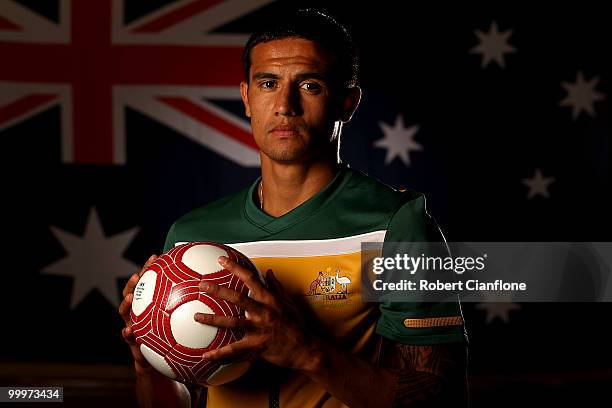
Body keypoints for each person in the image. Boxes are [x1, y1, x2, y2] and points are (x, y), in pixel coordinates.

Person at [118, 8, 468, 408]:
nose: (285, 105)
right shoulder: (192, 238)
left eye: (310, 85)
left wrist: (306, 352)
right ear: (247, 97)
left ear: (347, 103)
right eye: (268, 83)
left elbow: (441, 398)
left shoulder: (396, 225)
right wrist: (150, 363)